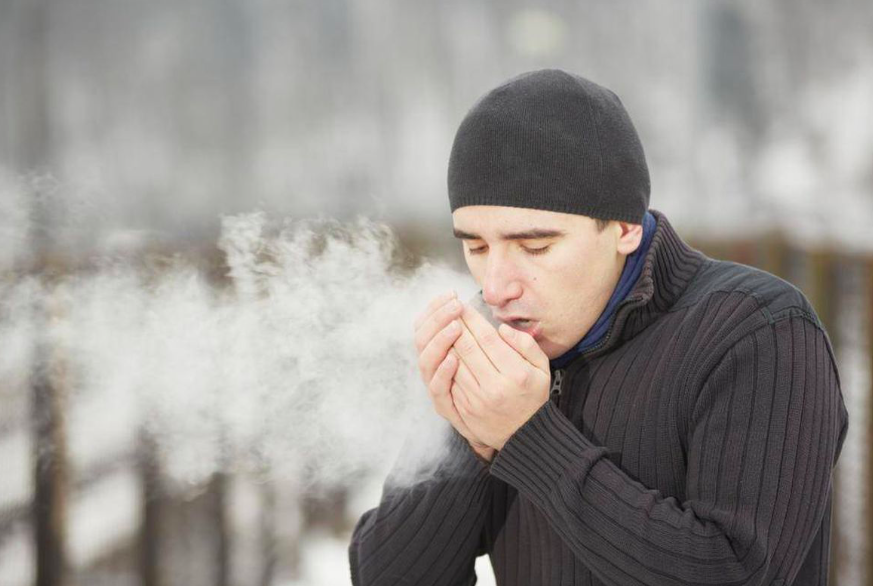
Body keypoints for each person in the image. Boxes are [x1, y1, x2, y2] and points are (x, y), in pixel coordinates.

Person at [348, 69, 849, 586]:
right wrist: (470, 437)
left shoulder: (758, 333)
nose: (496, 286)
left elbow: (737, 574)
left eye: (535, 246)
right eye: (476, 247)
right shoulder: (491, 344)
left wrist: (526, 436)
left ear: (625, 227)